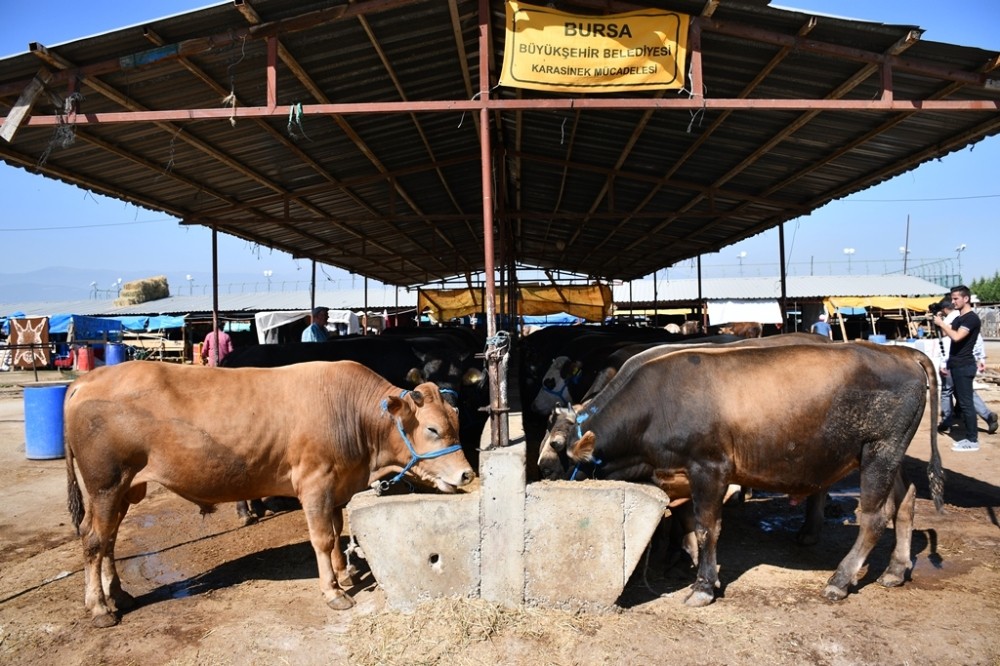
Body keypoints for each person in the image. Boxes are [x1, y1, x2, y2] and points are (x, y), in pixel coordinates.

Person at [936, 299, 998, 437]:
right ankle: (987, 415)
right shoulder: (967, 318)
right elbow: (978, 339)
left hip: (953, 362)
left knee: (947, 391)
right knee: (967, 392)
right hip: (967, 361)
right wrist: (981, 357)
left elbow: (946, 344)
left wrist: (943, 363)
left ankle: (947, 422)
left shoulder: (952, 321)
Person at [933, 285, 984, 452]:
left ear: (966, 299)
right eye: (952, 299)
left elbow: (956, 336)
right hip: (955, 364)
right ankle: (968, 437)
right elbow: (947, 334)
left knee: (966, 404)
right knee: (963, 402)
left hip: (964, 365)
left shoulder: (971, 319)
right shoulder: (958, 318)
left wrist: (941, 323)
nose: (953, 302)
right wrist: (940, 320)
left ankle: (972, 439)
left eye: (956, 298)